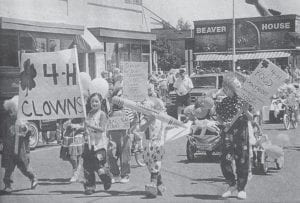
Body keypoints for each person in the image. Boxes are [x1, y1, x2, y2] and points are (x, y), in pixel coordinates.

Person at [215, 74, 253, 200]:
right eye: (234, 86)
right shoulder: (223, 101)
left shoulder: (245, 101)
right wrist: (222, 122)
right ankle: (232, 185)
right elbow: (218, 116)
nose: (237, 88)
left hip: (241, 132)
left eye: (238, 86)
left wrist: (246, 111)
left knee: (242, 159)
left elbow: (252, 118)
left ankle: (241, 188)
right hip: (227, 133)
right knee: (225, 159)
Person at [0, 96, 38, 193]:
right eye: (10, 110)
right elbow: (3, 133)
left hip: (20, 149)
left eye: (13, 109)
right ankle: (8, 185)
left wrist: (24, 128)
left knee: (25, 168)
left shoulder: (22, 120)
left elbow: (29, 130)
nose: (11, 112)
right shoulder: (6, 120)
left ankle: (33, 178)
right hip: (9, 149)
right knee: (9, 168)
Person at [133, 96, 168, 198]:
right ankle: (159, 184)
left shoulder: (161, 118)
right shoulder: (145, 118)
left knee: (156, 164)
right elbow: (141, 128)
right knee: (150, 166)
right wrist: (149, 120)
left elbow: (167, 126)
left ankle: (152, 185)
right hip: (148, 145)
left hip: (158, 145)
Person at [82, 93, 112, 195]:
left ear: (100, 102)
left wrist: (90, 126)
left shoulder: (102, 114)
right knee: (87, 165)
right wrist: (84, 129)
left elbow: (102, 129)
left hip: (99, 145)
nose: (94, 103)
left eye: (96, 101)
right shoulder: (89, 114)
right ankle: (89, 186)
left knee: (98, 164)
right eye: (92, 101)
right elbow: (86, 127)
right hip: (89, 144)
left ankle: (106, 178)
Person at [107, 87, 131, 184]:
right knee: (111, 154)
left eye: (121, 96)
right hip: (113, 136)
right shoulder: (110, 112)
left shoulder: (128, 110)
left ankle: (125, 174)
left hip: (124, 136)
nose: (120, 98)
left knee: (125, 155)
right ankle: (115, 173)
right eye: (118, 95)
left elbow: (134, 122)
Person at [59, 118, 84, 183]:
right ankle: (77, 169)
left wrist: (77, 126)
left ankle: (75, 173)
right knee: (66, 156)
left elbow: (85, 126)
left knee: (75, 157)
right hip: (68, 136)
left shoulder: (81, 116)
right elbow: (63, 125)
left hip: (77, 136)